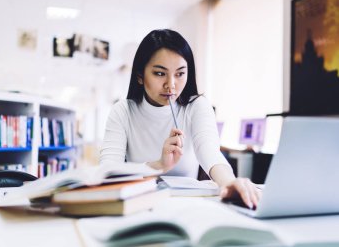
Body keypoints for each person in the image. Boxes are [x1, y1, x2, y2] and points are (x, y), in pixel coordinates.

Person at [100, 29, 260, 209]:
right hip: (139, 206)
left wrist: (229, 182)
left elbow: (210, 153)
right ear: (140, 76)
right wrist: (158, 166)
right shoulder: (123, 111)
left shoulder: (197, 106)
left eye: (180, 73)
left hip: (187, 207)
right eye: (160, 73)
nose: (171, 85)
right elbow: (107, 172)